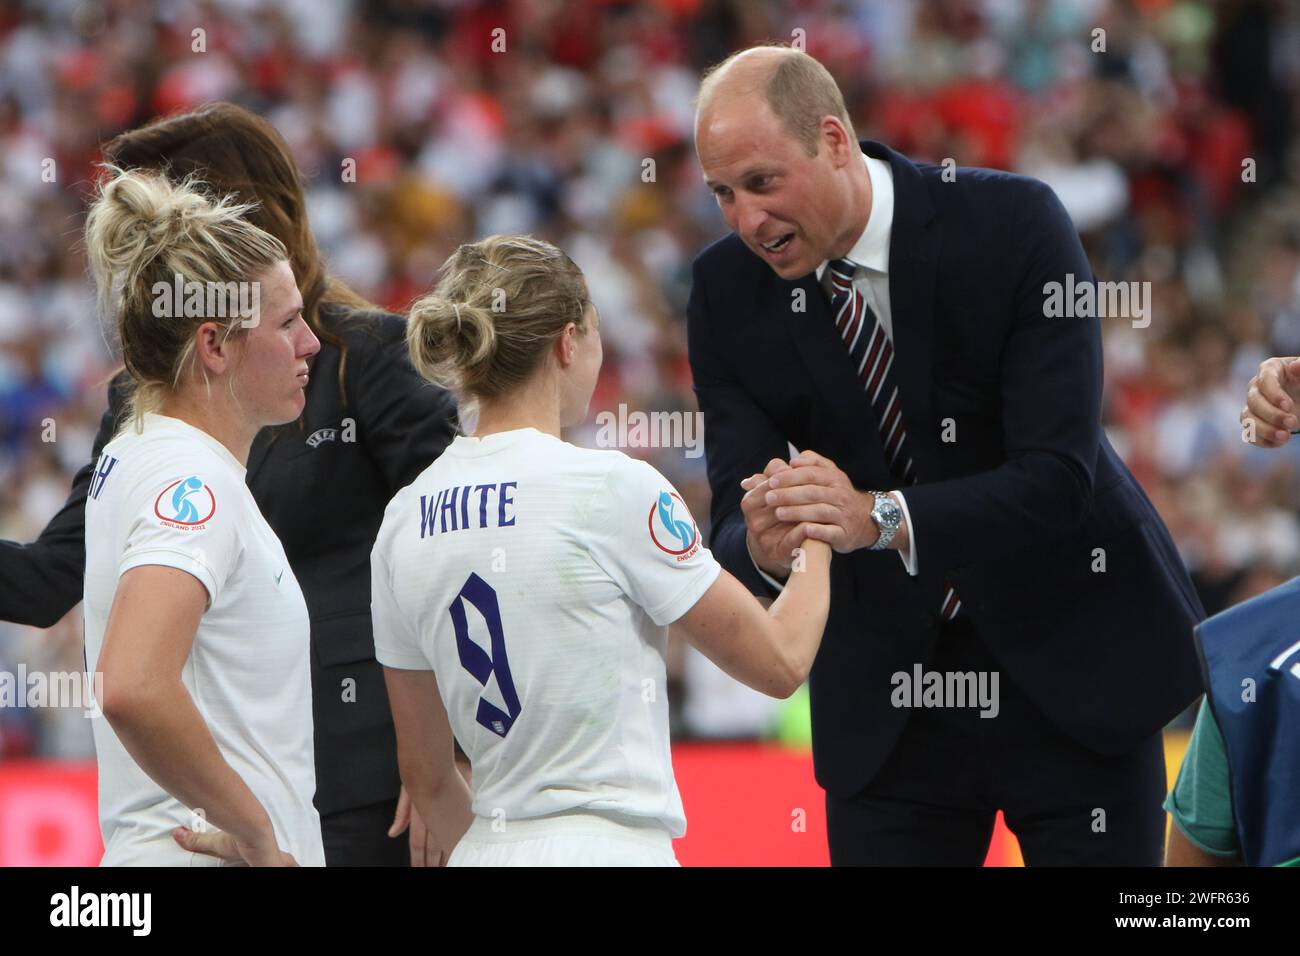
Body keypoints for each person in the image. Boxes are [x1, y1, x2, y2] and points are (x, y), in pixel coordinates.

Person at [687, 45, 1204, 865]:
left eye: (761, 182)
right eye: (722, 192)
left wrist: (874, 518)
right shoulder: (723, 292)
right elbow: (729, 531)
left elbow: (1058, 476)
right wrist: (765, 539)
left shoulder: (1012, 222)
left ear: (832, 139)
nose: (746, 218)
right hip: (888, 709)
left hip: (1073, 664)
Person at [0, 104, 458, 865]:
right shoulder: (155, 418)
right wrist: (251, 824)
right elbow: (60, 583)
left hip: (377, 778)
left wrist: (446, 753)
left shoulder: (363, 356)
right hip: (226, 798)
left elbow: (459, 546)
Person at [370, 234, 832, 866]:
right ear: (567, 342)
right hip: (610, 843)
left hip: (489, 844)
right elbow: (779, 663)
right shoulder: (612, 486)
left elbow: (424, 773)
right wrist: (818, 534)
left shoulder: (402, 519)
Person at [82, 166, 323, 866]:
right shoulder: (192, 479)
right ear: (214, 346)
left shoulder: (142, 455)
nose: (309, 342)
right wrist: (254, 828)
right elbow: (132, 683)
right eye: (287, 321)